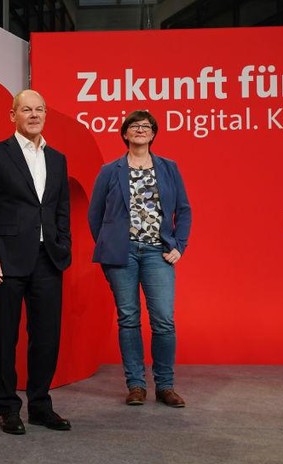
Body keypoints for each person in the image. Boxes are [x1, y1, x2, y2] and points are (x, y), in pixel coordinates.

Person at [0, 89, 72, 435]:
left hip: (49, 260)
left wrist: (64, 245)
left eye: (39, 109)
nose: (33, 115)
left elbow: (61, 209)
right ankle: (8, 408)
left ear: (46, 114)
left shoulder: (58, 159)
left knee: (46, 336)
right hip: (6, 260)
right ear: (12, 115)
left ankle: (41, 405)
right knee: (5, 337)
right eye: (26, 109)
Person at [87, 110, 192, 408]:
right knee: (129, 318)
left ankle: (165, 385)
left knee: (163, 320)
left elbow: (183, 210)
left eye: (146, 126)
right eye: (134, 126)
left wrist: (179, 245)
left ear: (154, 134)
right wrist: (109, 245)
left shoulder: (169, 168)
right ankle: (135, 385)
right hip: (123, 255)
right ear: (125, 134)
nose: (140, 130)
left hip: (158, 252)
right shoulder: (110, 170)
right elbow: (95, 214)